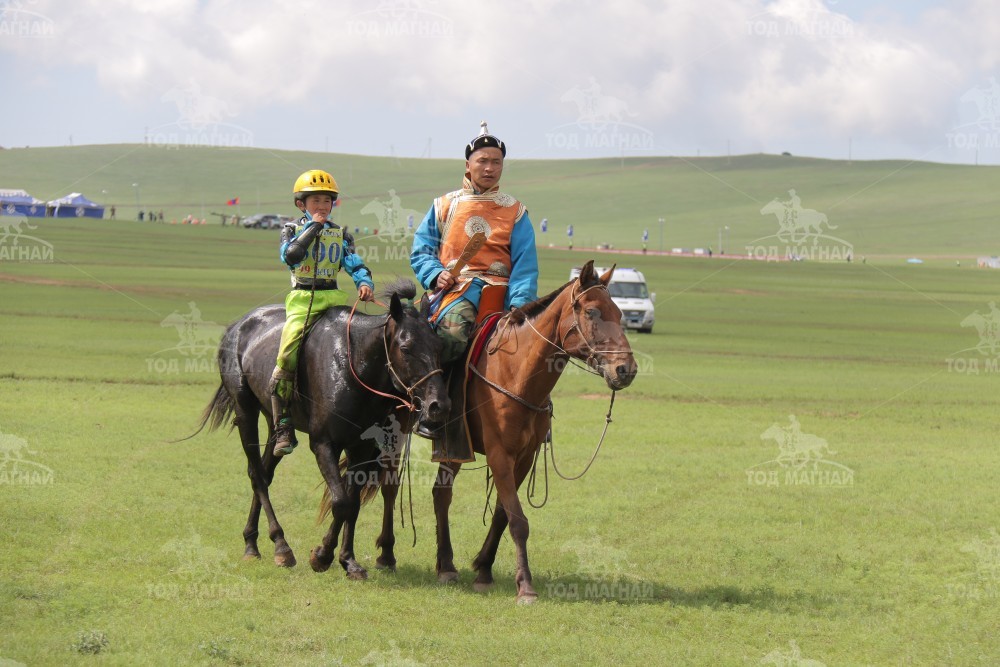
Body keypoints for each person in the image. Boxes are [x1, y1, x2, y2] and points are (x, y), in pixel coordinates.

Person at [410, 121, 539, 366]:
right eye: (483, 161)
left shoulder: (515, 211)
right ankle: (435, 397)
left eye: (496, 162)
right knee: (452, 336)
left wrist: (519, 306)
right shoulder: (444, 205)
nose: (489, 168)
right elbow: (422, 249)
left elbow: (526, 264)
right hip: (458, 290)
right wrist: (436, 274)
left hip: (503, 294)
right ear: (468, 165)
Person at [269, 169, 375, 456]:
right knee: (286, 353)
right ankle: (283, 424)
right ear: (301, 204)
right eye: (316, 201)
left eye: (327, 202)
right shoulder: (291, 229)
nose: (323, 207)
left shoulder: (340, 234)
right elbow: (291, 256)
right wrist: (313, 227)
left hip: (333, 298)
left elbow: (354, 263)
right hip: (303, 300)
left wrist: (364, 282)